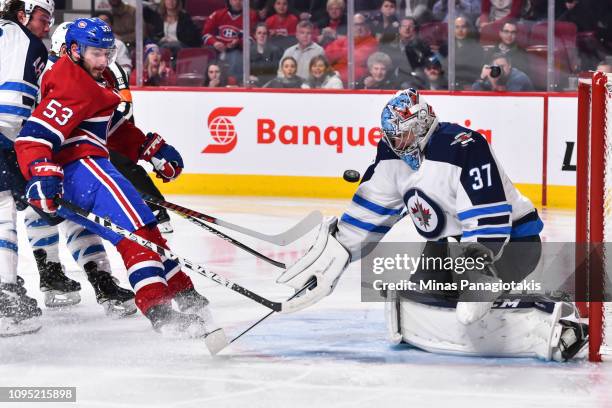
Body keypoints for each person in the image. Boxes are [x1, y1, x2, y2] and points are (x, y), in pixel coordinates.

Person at [274, 88, 588, 362]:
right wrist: (338, 252)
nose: (396, 141)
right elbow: (372, 210)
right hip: (449, 246)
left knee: (474, 300)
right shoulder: (392, 156)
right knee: (424, 289)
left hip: (512, 245)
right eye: (391, 134)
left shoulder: (465, 146)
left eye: (402, 133)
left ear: (423, 124)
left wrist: (478, 273)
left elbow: (488, 215)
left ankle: (548, 317)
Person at [14, 18, 227, 352]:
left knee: (146, 227)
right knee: (136, 233)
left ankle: (183, 293)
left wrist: (151, 150)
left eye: (107, 53)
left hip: (92, 166)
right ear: (73, 50)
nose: (104, 61)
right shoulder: (70, 81)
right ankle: (158, 307)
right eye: (96, 53)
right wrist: (41, 172)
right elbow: (33, 136)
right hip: (80, 170)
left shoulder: (93, 79)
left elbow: (111, 128)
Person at [0, 0, 53, 336]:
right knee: (4, 208)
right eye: (42, 17)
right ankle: (4, 293)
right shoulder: (26, 42)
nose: (46, 26)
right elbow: (12, 112)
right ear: (23, 14)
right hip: (3, 133)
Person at [202, 0, 257, 79]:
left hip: (237, 51)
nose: (238, 2)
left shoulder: (251, 16)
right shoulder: (217, 14)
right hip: (216, 49)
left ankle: (232, 83)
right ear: (230, 1)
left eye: (241, 0)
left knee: (235, 57)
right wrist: (215, 43)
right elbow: (205, 34)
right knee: (206, 56)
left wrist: (238, 42)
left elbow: (252, 38)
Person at [325, 13, 378, 84]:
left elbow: (356, 58)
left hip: (356, 82)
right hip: (334, 79)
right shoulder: (343, 40)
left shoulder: (372, 42)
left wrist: (338, 55)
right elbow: (328, 54)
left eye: (361, 24)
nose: (359, 28)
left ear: (366, 26)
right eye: (356, 25)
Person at [94, 10, 132, 75]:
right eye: (99, 21)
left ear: (111, 26)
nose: (103, 24)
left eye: (106, 21)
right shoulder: (87, 44)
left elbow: (126, 70)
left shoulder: (119, 45)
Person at [250, 23, 283, 87]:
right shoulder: (249, 52)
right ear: (255, 35)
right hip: (253, 86)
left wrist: (258, 78)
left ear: (267, 36)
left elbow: (276, 74)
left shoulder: (275, 51)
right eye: (259, 33)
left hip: (271, 85)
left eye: (264, 33)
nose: (262, 35)